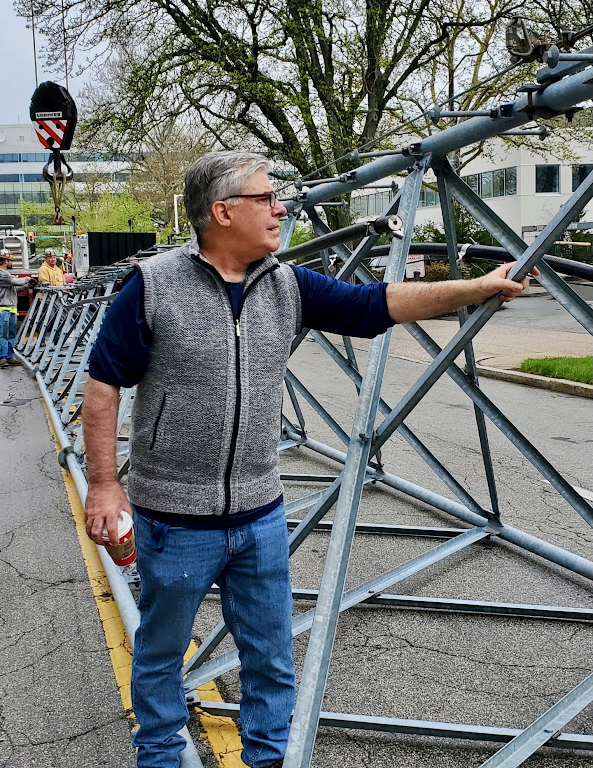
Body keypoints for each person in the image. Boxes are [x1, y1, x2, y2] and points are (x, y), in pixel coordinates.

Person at [82, 151, 533, 768]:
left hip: (261, 515)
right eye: (266, 198)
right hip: (175, 519)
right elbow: (103, 384)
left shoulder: (285, 285)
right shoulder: (154, 286)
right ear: (223, 212)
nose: (280, 208)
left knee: (269, 653)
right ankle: (159, 753)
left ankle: (269, 757)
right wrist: (104, 484)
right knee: (161, 651)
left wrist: (476, 288)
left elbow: (376, 304)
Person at [0, 249, 35, 368]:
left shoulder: (6, 274)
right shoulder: (2, 274)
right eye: (10, 260)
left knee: (11, 335)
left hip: (11, 309)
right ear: (5, 261)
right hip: (3, 309)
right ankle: (2, 358)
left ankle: (10, 357)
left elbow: (15, 289)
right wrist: (28, 279)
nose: (11, 263)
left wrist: (28, 286)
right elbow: (14, 281)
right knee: (3, 335)